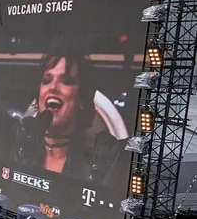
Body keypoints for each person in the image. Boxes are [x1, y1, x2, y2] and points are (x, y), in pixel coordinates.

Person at [13, 49, 127, 181]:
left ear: (82, 99)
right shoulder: (17, 146)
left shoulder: (103, 157)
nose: (53, 87)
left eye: (66, 81)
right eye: (46, 80)